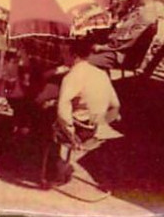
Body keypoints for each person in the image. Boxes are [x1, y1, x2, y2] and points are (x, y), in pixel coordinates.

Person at [48, 39, 119, 185]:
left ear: (73, 55)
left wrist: (71, 133)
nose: (62, 57)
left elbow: (63, 107)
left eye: (64, 54)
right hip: (92, 130)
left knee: (41, 111)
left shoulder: (72, 76)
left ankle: (51, 167)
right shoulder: (101, 74)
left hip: (76, 132)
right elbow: (115, 106)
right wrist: (100, 124)